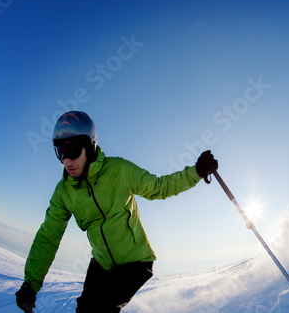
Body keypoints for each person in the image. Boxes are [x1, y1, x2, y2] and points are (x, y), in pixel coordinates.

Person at [15, 111, 218, 312]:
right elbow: (48, 237)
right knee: (85, 309)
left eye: (73, 151)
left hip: (135, 263)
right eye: (60, 152)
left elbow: (159, 187)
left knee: (99, 310)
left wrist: (197, 171)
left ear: (89, 145)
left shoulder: (119, 170)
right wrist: (30, 285)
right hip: (102, 263)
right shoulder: (64, 192)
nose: (66, 161)